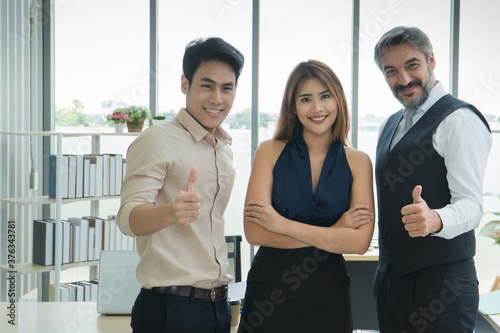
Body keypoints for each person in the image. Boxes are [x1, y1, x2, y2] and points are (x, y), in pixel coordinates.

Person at [117, 36, 244, 333]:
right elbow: (126, 218)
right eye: (206, 85)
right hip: (171, 310)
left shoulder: (222, 148)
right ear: (185, 84)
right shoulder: (159, 138)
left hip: (216, 308)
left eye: (227, 88)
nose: (217, 99)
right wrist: (170, 213)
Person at [238, 60, 375, 333]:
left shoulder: (359, 161)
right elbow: (255, 233)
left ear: (338, 100)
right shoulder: (269, 152)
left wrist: (280, 224)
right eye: (305, 99)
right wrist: (334, 232)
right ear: (293, 107)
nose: (317, 108)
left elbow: (360, 242)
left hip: (328, 294)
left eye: (325, 96)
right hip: (269, 292)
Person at [373, 26, 492, 333]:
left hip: (442, 288)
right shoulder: (390, 124)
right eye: (391, 71)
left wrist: (436, 219)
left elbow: (471, 205)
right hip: (390, 284)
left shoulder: (459, 120)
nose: (403, 80)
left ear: (431, 61)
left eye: (412, 65)